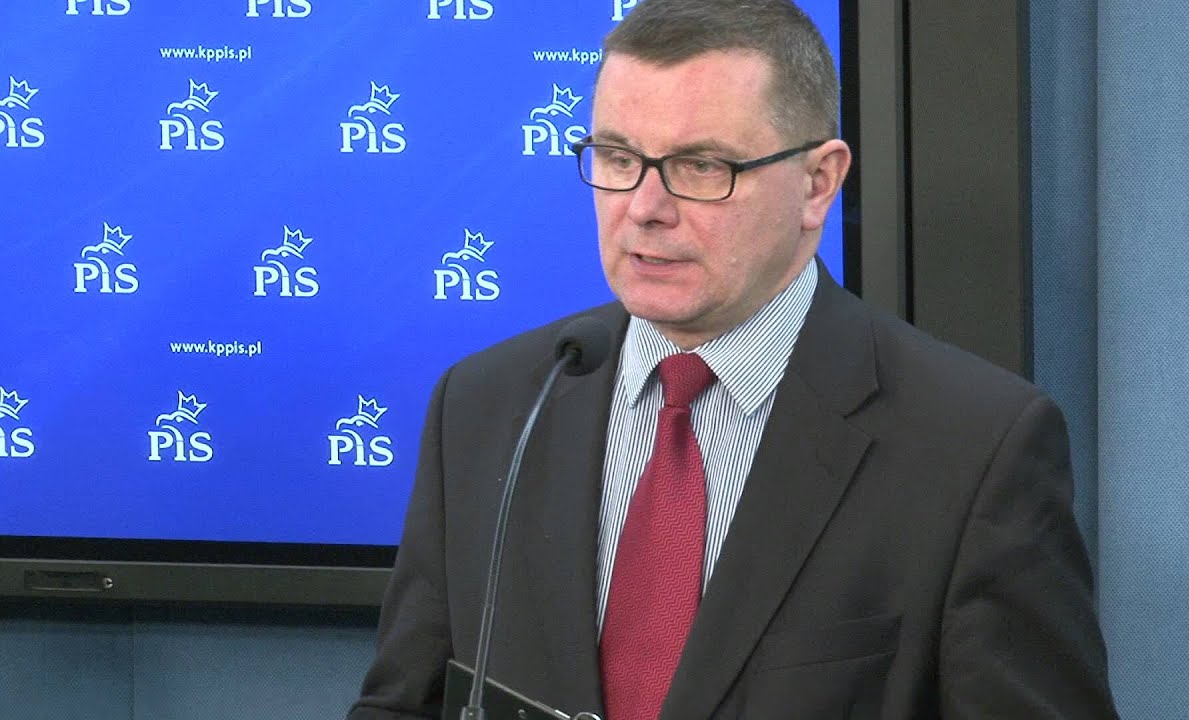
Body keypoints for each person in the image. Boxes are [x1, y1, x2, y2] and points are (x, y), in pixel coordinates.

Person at [348, 1, 1119, 718]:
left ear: (818, 183)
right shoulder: (487, 407)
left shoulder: (974, 448)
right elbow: (404, 704)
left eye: (701, 167)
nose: (644, 207)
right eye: (617, 157)